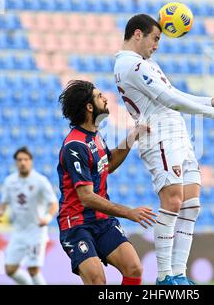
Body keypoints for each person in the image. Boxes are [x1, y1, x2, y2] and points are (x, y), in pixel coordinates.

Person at [113, 14, 214, 285]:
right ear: (137, 34)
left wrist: (208, 99)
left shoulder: (146, 64)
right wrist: (211, 112)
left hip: (177, 132)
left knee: (191, 205)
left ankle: (179, 273)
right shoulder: (130, 65)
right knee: (173, 201)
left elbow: (173, 92)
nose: (157, 45)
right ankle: (164, 276)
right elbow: (168, 99)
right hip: (159, 135)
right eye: (155, 39)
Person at [57, 79, 157, 285]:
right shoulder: (74, 146)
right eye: (99, 95)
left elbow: (107, 165)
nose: (105, 98)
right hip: (77, 224)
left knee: (134, 268)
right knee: (96, 279)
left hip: (102, 221)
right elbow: (86, 198)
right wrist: (129, 212)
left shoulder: (95, 136)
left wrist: (132, 137)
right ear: (89, 107)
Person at [0, 146, 59, 285]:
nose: (22, 162)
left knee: (33, 269)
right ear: (15, 162)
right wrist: (1, 211)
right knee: (9, 269)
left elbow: (54, 204)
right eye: (19, 160)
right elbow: (4, 201)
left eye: (25, 159)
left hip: (36, 231)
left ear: (31, 161)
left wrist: (47, 218)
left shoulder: (40, 181)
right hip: (19, 231)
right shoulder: (9, 181)